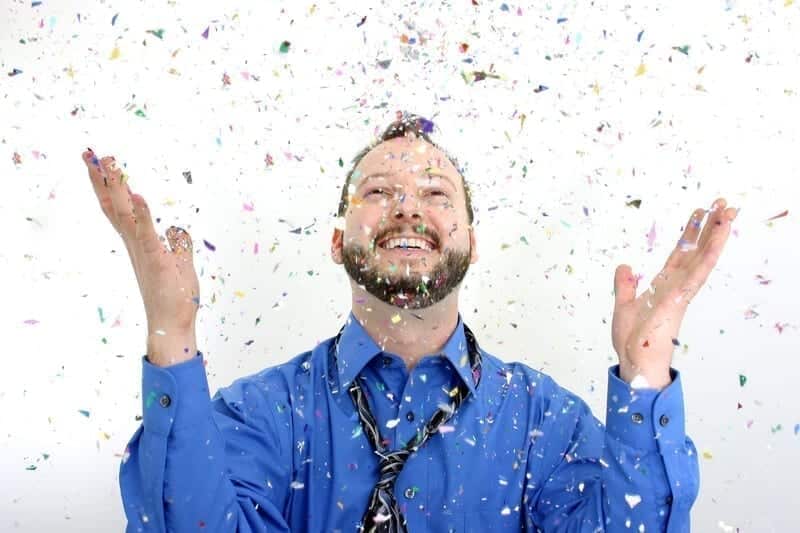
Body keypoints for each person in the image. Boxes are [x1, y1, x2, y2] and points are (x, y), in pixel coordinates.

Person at [83, 111, 737, 532]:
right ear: (339, 242)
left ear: (471, 243)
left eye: (434, 193)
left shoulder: (546, 422)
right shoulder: (261, 415)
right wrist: (171, 338)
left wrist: (646, 371)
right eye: (378, 192)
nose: (407, 208)